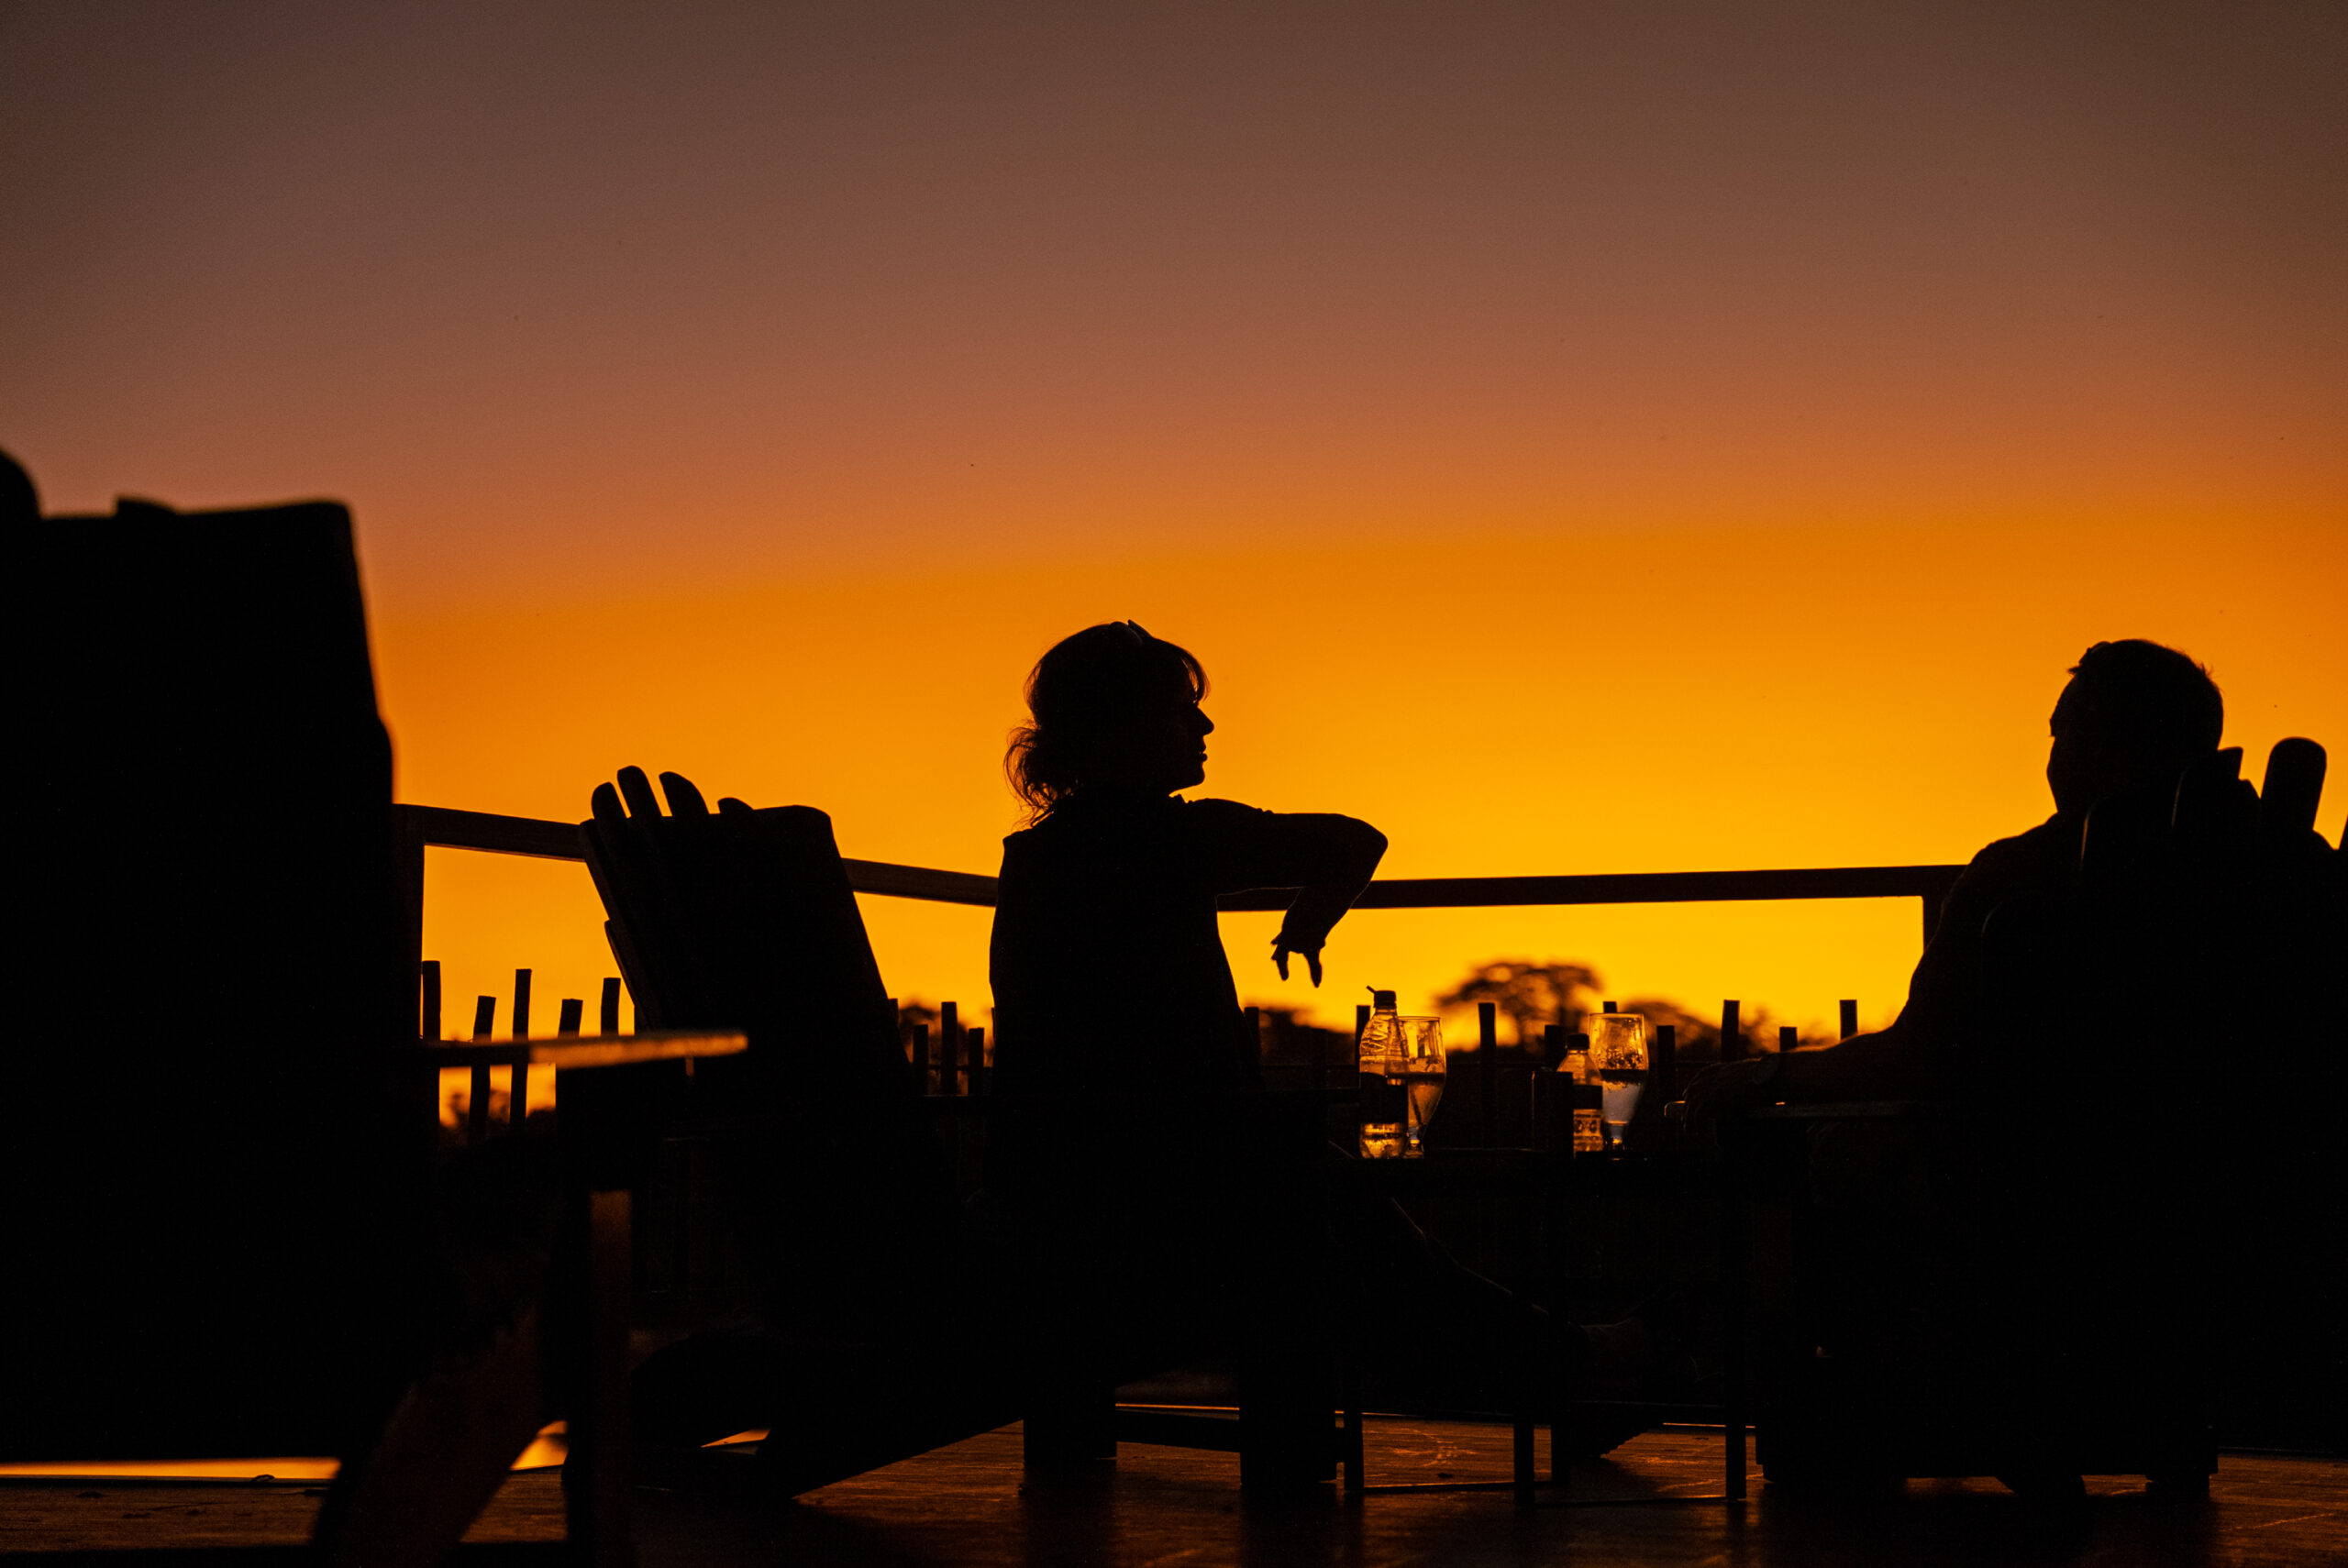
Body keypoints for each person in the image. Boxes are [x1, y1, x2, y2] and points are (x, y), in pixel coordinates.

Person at [1705, 638, 2226, 1110]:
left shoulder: (2019, 875)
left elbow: (1914, 1058)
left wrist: (1767, 1074)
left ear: (2097, 747)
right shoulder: (2253, 865)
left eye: (2060, 733)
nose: (2052, 758)